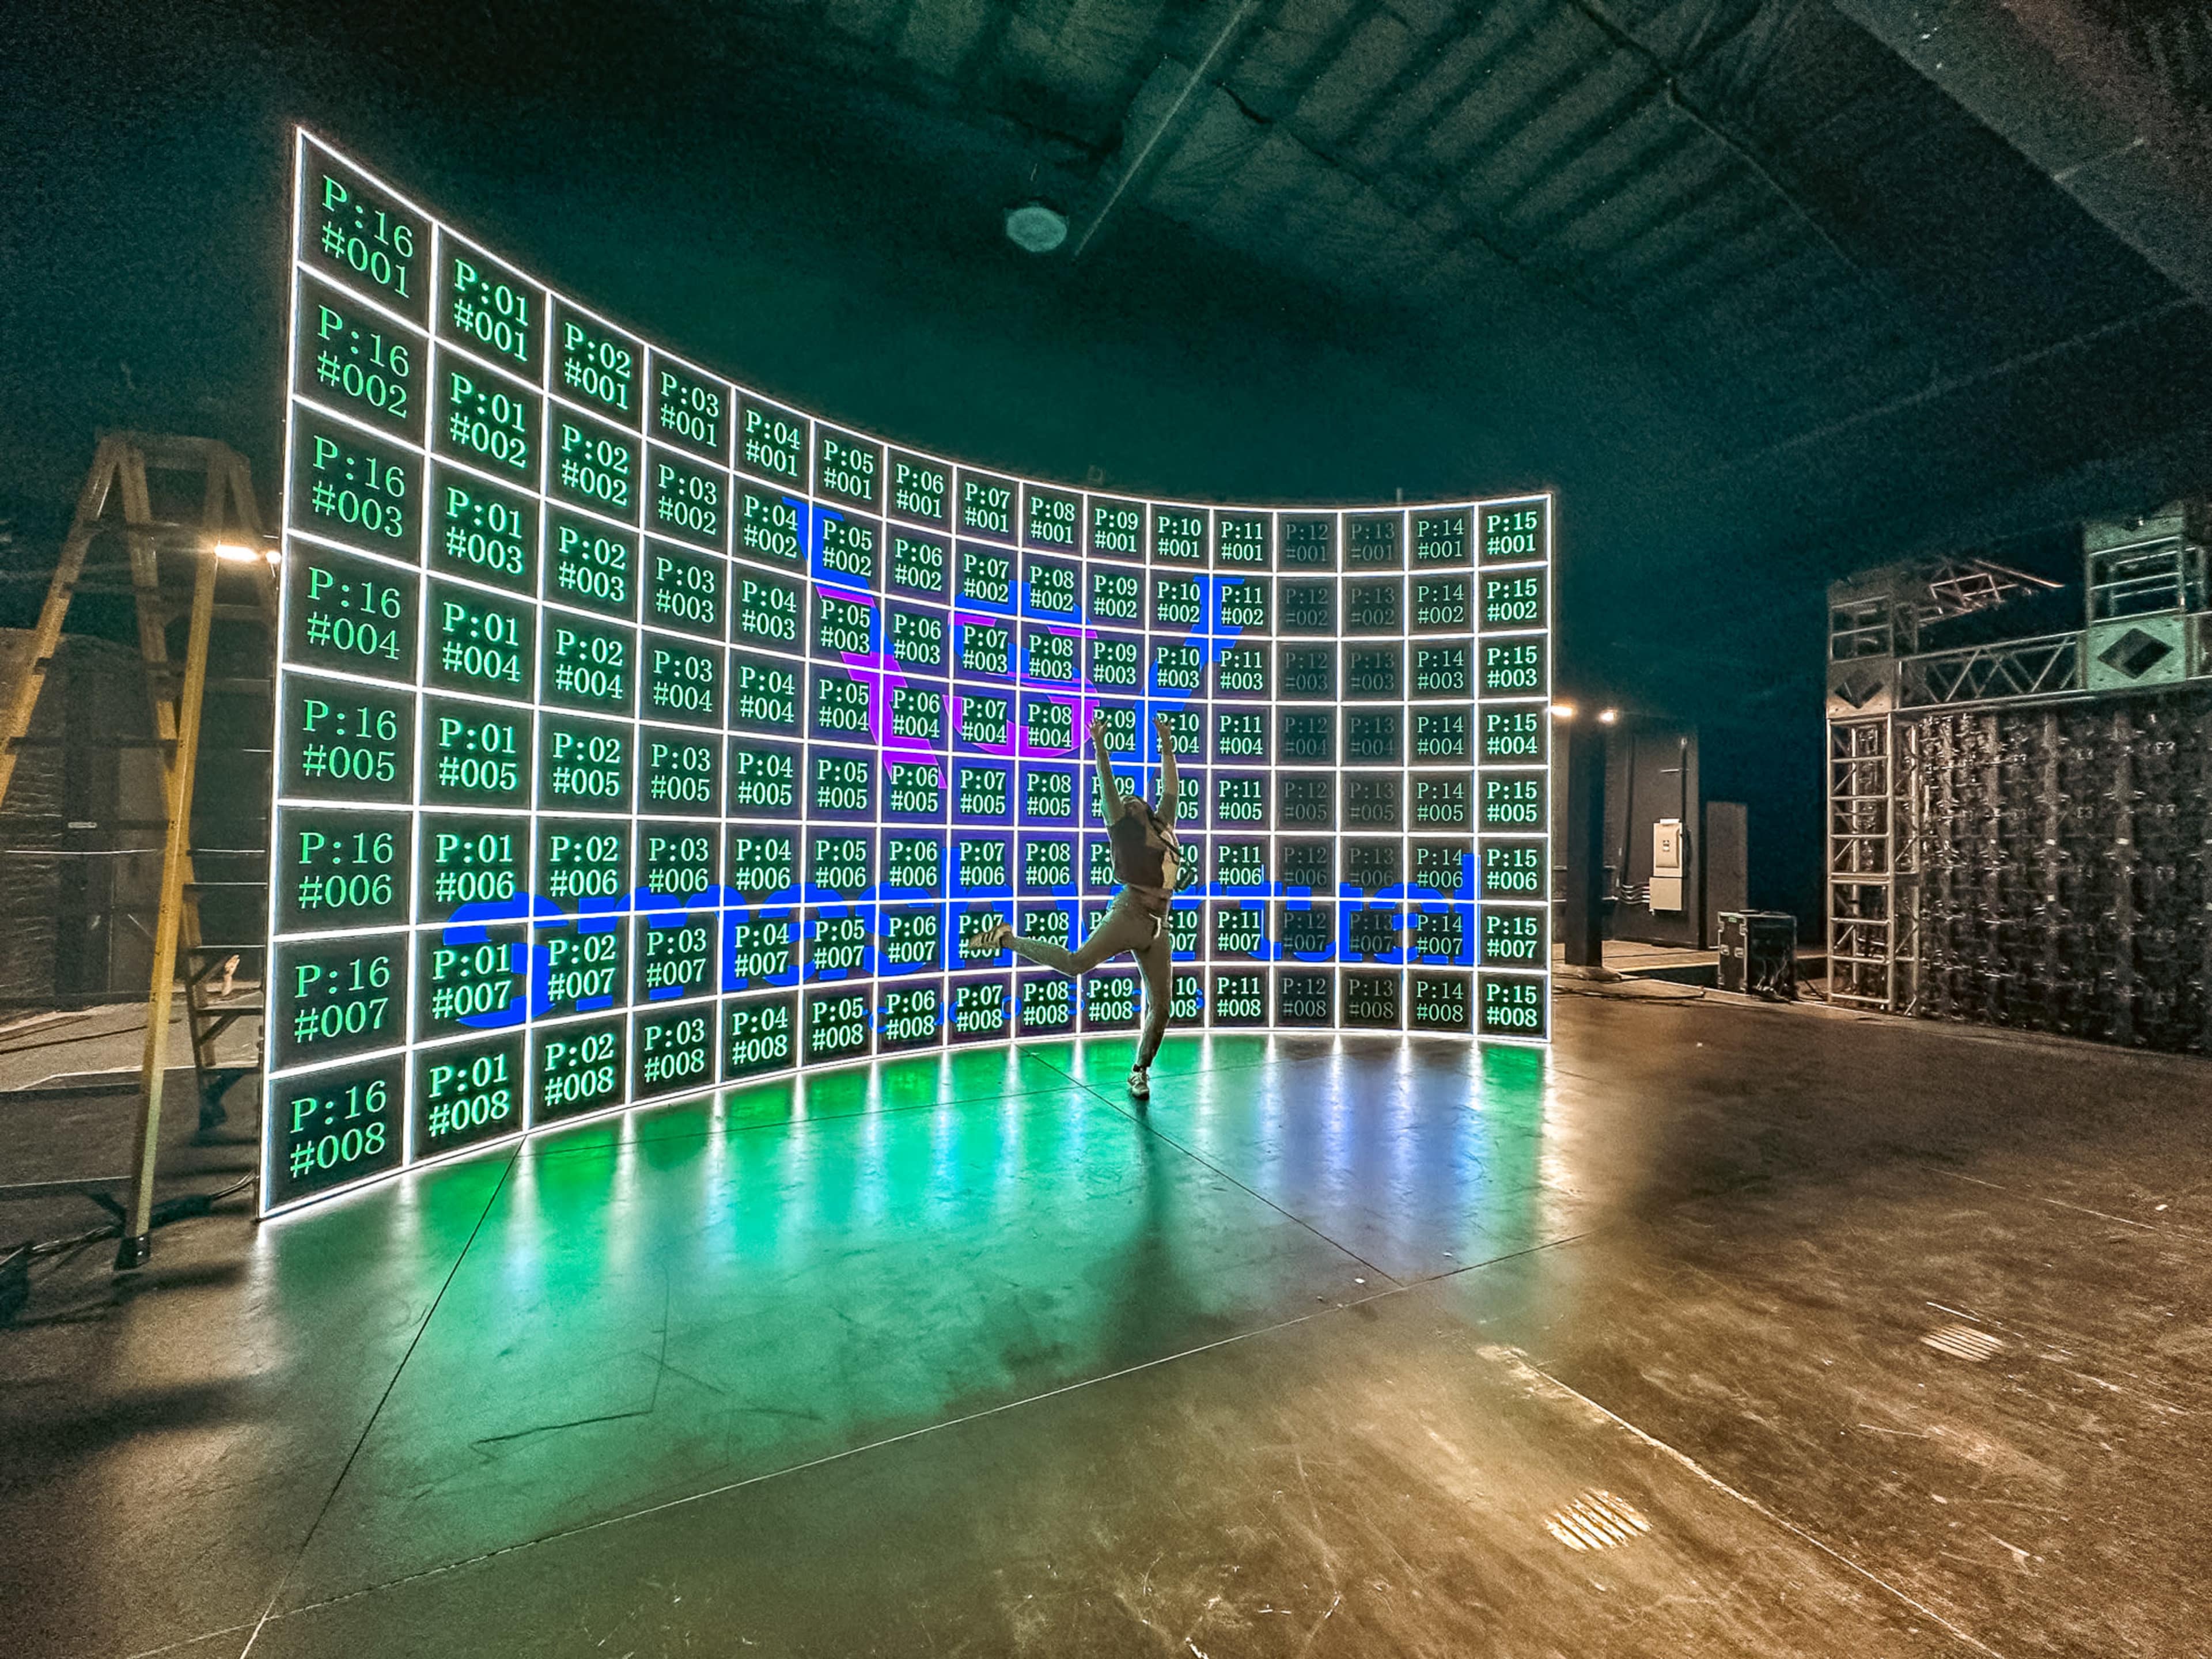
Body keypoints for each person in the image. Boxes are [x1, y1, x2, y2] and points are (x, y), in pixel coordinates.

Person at [982, 710, 1181, 1100]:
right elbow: (1108, 790)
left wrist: (1168, 747)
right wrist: (1099, 746)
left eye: (1133, 798)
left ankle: (1139, 1071)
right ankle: (1008, 940)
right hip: (1129, 912)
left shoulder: (1163, 826)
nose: (1127, 799)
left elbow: (1171, 788)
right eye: (1123, 801)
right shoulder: (1123, 829)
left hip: (1160, 924)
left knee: (1162, 1005)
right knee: (1076, 963)